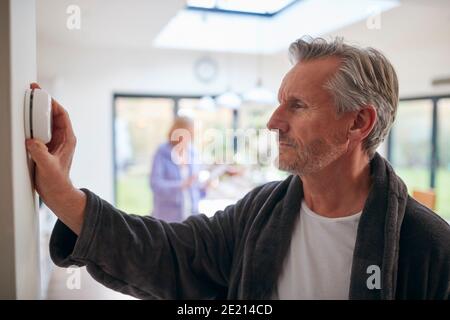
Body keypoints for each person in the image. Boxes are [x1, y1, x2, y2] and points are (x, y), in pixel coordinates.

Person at [26, 36, 449, 300]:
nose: (272, 121)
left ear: (358, 122)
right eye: (280, 102)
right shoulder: (260, 212)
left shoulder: (430, 248)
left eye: (297, 105)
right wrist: (64, 196)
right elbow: (171, 254)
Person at [149, 116, 206, 222]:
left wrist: (205, 187)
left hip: (190, 216)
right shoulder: (162, 153)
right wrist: (181, 184)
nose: (188, 138)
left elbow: (195, 189)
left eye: (191, 134)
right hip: (167, 218)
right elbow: (155, 184)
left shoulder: (193, 153)